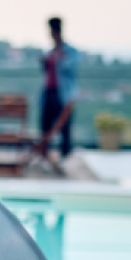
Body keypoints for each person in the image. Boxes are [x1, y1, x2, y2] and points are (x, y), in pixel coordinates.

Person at [37, 16, 82, 166]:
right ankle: (44, 154)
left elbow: (70, 69)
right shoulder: (50, 52)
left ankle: (65, 156)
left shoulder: (69, 51)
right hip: (48, 92)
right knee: (45, 124)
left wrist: (62, 57)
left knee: (64, 126)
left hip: (63, 94)